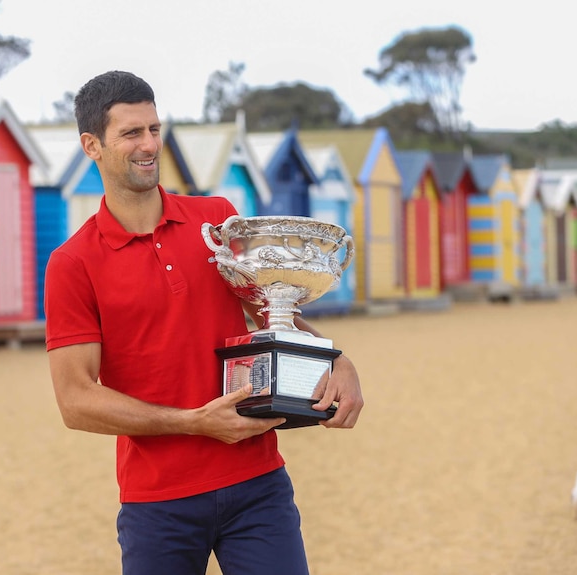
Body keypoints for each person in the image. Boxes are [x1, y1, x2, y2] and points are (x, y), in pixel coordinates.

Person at [44, 70, 363, 575]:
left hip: (257, 485)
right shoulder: (73, 263)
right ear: (92, 145)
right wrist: (191, 423)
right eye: (130, 133)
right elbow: (75, 401)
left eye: (154, 128)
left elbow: (274, 311)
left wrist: (335, 358)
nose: (148, 144)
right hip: (157, 504)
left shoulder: (218, 224)